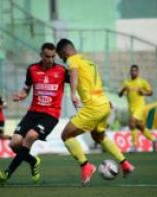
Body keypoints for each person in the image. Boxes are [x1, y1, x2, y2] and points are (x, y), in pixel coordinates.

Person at [56, 38, 135, 186]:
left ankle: (86, 166)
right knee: (99, 136)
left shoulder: (72, 60)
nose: (62, 59)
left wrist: (73, 93)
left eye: (61, 55)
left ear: (65, 51)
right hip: (104, 104)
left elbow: (73, 72)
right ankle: (125, 164)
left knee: (66, 135)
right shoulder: (89, 62)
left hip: (92, 107)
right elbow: (91, 82)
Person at [0, 42, 69, 185]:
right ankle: (33, 161)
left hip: (50, 115)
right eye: (47, 56)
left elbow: (77, 80)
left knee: (30, 136)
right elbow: (26, 88)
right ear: (41, 55)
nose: (51, 59)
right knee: (14, 143)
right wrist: (22, 95)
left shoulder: (61, 71)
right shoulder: (32, 69)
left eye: (53, 56)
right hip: (33, 113)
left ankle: (7, 173)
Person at [118, 64, 157, 152]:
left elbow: (151, 92)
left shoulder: (142, 82)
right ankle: (153, 139)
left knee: (131, 122)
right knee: (140, 127)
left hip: (140, 107)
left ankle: (134, 145)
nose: (133, 72)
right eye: (132, 70)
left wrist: (143, 92)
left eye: (135, 70)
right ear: (130, 72)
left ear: (138, 72)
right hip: (131, 108)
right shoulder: (126, 83)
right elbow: (119, 95)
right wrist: (123, 90)